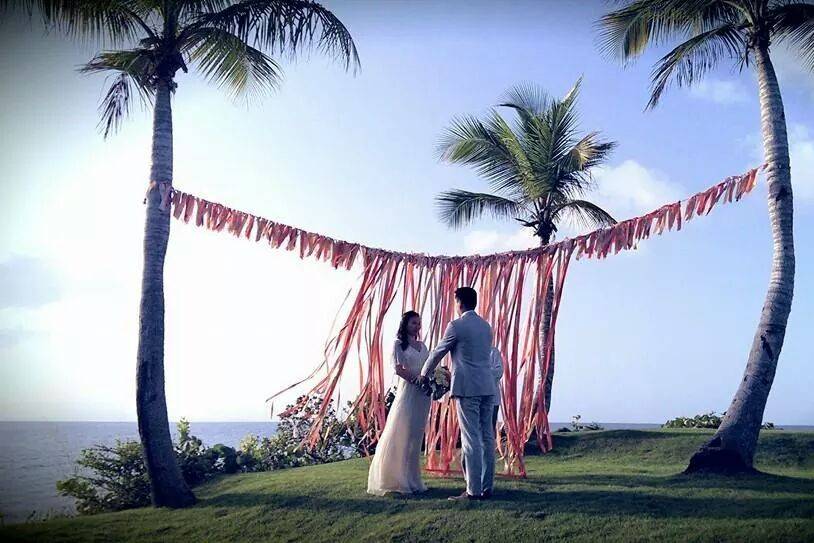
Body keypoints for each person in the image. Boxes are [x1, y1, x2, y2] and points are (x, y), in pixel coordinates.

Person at [420, 287, 498, 501]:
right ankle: (487, 487)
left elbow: (439, 351)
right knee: (487, 437)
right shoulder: (486, 326)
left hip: (467, 387)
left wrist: (424, 373)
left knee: (470, 437)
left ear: (460, 303)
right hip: (487, 386)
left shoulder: (456, 326)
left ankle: (473, 491)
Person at [366, 311, 432, 495]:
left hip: (423, 395)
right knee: (401, 432)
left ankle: (413, 479)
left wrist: (431, 380)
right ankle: (395, 478)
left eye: (419, 323)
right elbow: (398, 369)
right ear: (405, 324)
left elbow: (428, 366)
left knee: (415, 437)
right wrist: (416, 380)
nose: (417, 326)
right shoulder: (398, 344)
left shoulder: (422, 345)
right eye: (413, 323)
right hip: (409, 392)